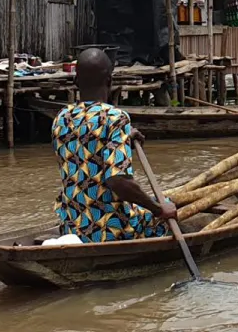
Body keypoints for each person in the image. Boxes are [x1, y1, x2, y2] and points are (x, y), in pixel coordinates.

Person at [52, 48, 177, 243]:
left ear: (76, 83)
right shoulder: (115, 118)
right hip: (109, 230)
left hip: (72, 225)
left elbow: (88, 146)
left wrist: (125, 138)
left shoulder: (61, 118)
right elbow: (117, 181)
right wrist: (159, 209)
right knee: (167, 205)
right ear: (109, 82)